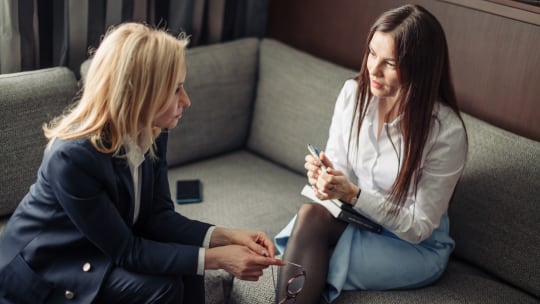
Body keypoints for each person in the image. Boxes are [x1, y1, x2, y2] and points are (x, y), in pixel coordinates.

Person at [0, 22, 282, 304]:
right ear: (139, 94)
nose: (187, 100)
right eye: (176, 90)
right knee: (166, 286)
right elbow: (127, 250)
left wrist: (227, 236)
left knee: (190, 265)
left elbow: (157, 216)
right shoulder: (71, 157)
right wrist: (218, 259)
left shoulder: (153, 132)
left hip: (102, 246)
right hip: (51, 265)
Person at [273, 4, 468, 303]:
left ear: (420, 67)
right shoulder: (353, 93)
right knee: (309, 214)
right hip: (360, 219)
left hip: (413, 245)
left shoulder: (446, 133)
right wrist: (325, 177)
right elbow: (339, 165)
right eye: (372, 53)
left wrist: (353, 194)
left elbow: (419, 227)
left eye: (389, 63)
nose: (372, 69)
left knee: (312, 253)